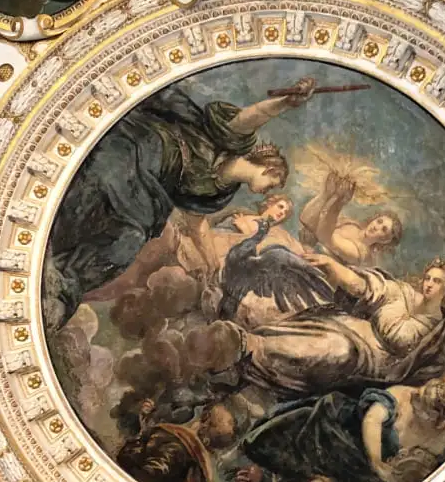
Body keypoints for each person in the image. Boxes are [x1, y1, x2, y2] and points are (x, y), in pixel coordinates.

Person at [44, 80, 318, 327]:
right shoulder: (235, 140)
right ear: (269, 169)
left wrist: (212, 267)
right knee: (99, 190)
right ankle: (50, 246)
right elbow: (253, 115)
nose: (268, 192)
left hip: (146, 191)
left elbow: (198, 226)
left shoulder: (218, 192)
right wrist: (284, 103)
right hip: (140, 149)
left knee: (129, 240)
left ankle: (63, 291)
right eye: (273, 184)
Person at [236, 376, 445, 482]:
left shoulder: (440, 439)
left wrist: (396, 473)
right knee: (308, 429)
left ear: (435, 419)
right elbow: (371, 421)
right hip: (346, 429)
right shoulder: (401, 396)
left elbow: (419, 469)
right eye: (419, 392)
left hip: (368, 464)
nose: (414, 394)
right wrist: (376, 462)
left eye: (420, 400)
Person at [236, 257, 445, 397]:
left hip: (370, 363)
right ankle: (249, 345)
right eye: (428, 278)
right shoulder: (402, 292)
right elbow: (362, 286)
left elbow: (426, 373)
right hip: (348, 326)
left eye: (437, 281)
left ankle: (254, 360)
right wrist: (333, 265)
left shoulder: (438, 335)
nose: (429, 284)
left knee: (337, 350)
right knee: (320, 334)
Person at [299, 171, 402, 265]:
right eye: (379, 221)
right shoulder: (351, 224)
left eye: (383, 230)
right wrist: (326, 194)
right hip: (302, 254)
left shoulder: (361, 254)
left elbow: (325, 238)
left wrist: (339, 202)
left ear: (385, 240)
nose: (376, 227)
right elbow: (306, 220)